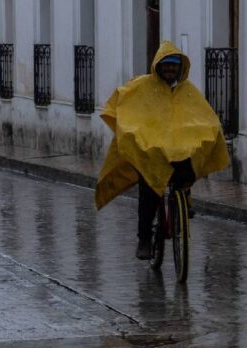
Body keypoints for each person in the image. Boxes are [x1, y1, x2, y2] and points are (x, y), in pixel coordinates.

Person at [94, 41, 229, 260]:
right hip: (149, 153)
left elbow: (203, 116)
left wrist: (209, 132)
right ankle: (145, 239)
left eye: (173, 66)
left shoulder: (188, 91)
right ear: (158, 66)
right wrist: (135, 135)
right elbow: (125, 106)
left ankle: (184, 201)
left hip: (178, 151)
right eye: (166, 65)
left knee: (188, 170)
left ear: (180, 68)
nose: (169, 69)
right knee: (148, 191)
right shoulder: (141, 86)